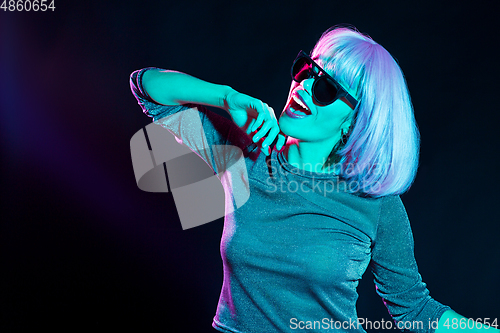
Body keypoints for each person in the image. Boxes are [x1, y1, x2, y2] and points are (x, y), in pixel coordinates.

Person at [130, 26, 498, 332]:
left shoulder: (375, 201)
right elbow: (149, 89)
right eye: (307, 70)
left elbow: (415, 310)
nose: (304, 86)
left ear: (355, 121)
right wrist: (226, 97)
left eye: (327, 89)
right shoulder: (245, 153)